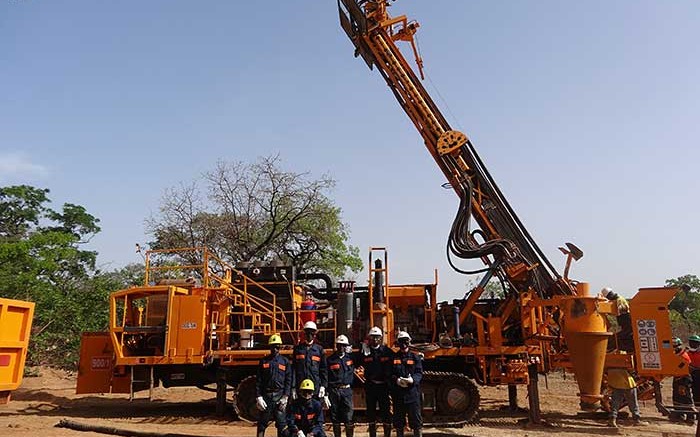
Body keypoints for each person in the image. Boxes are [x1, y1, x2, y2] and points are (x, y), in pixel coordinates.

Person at [358, 326, 393, 437]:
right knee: (371, 413)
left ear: (381, 338)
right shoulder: (365, 352)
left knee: (385, 412)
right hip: (371, 386)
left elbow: (397, 359)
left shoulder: (386, 351)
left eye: (377, 337)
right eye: (373, 337)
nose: (375, 340)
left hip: (383, 386)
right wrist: (361, 350)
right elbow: (353, 361)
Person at [256, 333, 292, 437]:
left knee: (282, 426)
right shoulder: (264, 361)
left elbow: (288, 381)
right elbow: (259, 380)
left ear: (280, 347)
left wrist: (286, 396)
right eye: (273, 346)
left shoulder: (285, 362)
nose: (275, 349)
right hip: (266, 396)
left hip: (279, 396)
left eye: (277, 347)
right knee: (262, 425)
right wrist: (259, 397)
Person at [390, 331, 423, 437]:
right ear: (398, 343)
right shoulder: (394, 358)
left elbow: (419, 372)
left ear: (409, 342)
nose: (403, 344)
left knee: (416, 422)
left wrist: (413, 380)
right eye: (401, 342)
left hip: (412, 394)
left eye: (405, 341)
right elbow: (390, 373)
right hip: (398, 395)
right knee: (399, 422)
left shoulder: (415, 357)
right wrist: (397, 380)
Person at [292, 321, 328, 402]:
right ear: (304, 334)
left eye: (312, 333)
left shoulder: (319, 350)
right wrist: (293, 387)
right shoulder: (298, 349)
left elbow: (323, 370)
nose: (309, 336)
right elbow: (294, 369)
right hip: (300, 387)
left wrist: (323, 386)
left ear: (315, 335)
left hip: (315, 388)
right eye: (307, 333)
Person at [327, 334, 355, 437]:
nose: (341, 347)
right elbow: (326, 376)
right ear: (336, 345)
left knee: (349, 417)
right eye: (339, 345)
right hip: (334, 391)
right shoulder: (330, 360)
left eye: (343, 345)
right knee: (335, 417)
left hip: (347, 391)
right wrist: (325, 392)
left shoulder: (350, 359)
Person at [670, 337, 695, 424]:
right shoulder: (677, 355)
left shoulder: (683, 356)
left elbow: (682, 367)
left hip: (683, 378)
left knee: (685, 397)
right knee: (677, 397)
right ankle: (679, 414)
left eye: (674, 346)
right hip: (677, 378)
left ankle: (690, 416)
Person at [602, 287, 634, 353]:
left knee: (621, 337)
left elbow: (620, 311)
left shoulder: (619, 300)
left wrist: (608, 311)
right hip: (625, 322)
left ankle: (628, 349)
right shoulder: (617, 299)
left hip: (627, 321)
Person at [687, 335, 700, 415]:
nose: (692, 344)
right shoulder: (688, 352)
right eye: (691, 342)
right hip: (690, 374)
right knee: (692, 393)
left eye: (694, 342)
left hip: (699, 374)